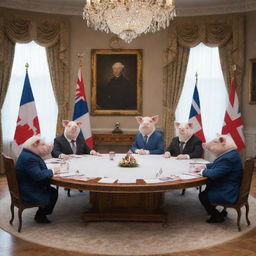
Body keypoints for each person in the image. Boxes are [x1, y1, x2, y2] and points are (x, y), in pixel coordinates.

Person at [192, 135, 243, 223]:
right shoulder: (231, 154)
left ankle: (216, 216)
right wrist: (205, 166)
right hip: (229, 185)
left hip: (227, 192)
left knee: (203, 196)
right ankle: (217, 212)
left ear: (223, 143)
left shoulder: (228, 158)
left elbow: (215, 174)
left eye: (215, 143)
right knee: (207, 190)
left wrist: (202, 171)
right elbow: (218, 165)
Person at [15, 136, 59, 223]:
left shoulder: (26, 153)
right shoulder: (30, 158)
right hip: (29, 192)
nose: (46, 146)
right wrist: (53, 170)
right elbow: (38, 176)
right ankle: (41, 215)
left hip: (26, 185)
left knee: (52, 191)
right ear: (34, 145)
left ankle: (41, 213)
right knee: (53, 193)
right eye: (42, 144)